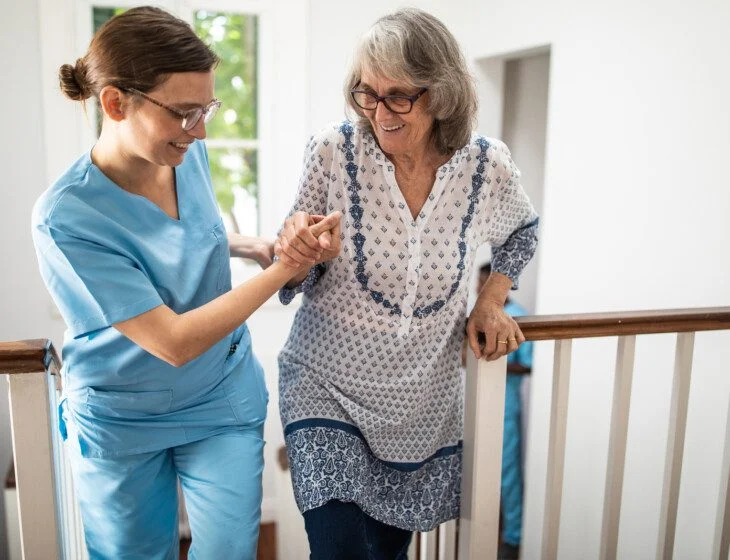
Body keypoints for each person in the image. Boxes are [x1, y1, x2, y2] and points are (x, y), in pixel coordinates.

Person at [31, 7, 340, 559]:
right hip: (122, 413)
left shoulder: (181, 153)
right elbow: (172, 340)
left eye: (206, 108)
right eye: (184, 112)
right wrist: (284, 269)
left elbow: (179, 242)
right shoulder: (65, 216)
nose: (201, 130)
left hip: (219, 393)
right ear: (115, 103)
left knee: (228, 550)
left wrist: (253, 246)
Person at [274, 8, 539, 559]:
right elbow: (297, 263)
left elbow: (521, 232)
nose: (378, 112)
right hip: (325, 383)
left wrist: (491, 302)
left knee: (387, 552)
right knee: (339, 549)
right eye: (366, 94)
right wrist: (298, 253)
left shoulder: (486, 167)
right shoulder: (333, 151)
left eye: (398, 96)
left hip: (421, 404)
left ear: (441, 94)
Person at [477, 263, 533, 560]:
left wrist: (495, 360)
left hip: (506, 405)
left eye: (483, 284)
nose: (478, 289)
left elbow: (529, 364)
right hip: (478, 402)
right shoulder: (477, 316)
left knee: (508, 473)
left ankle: (513, 537)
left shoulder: (519, 316)